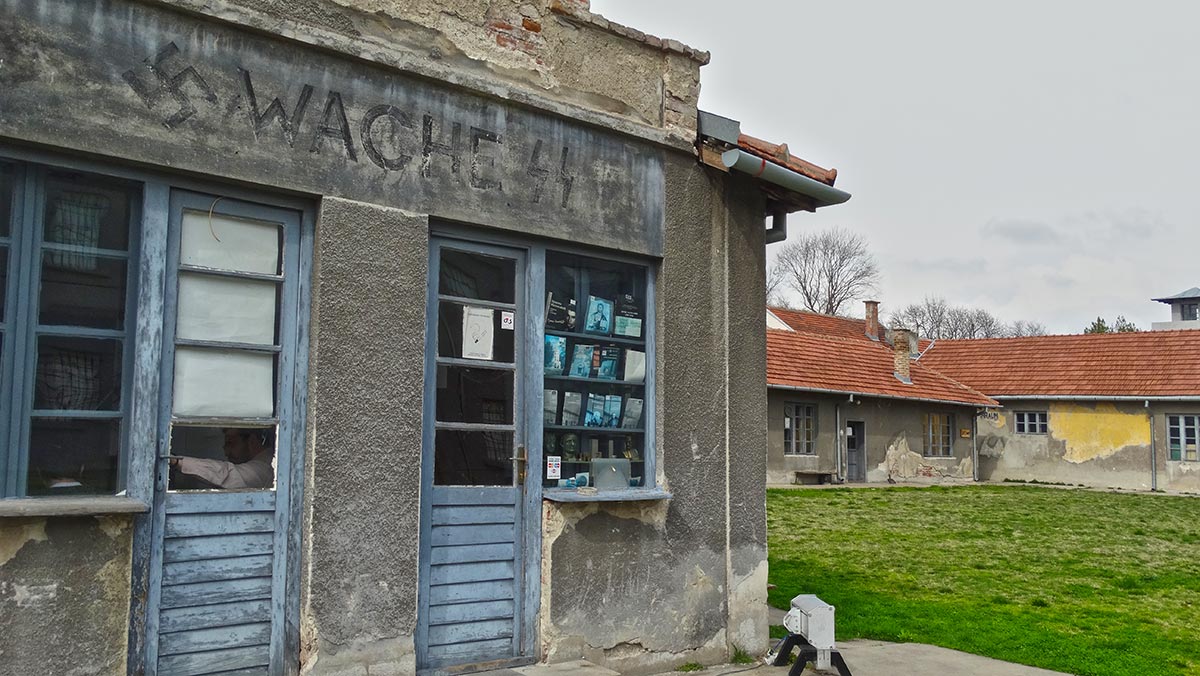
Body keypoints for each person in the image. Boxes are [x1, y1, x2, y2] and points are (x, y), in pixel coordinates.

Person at [170, 428, 275, 489]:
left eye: (231, 443)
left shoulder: (266, 467)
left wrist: (177, 462)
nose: (226, 452)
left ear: (252, 441)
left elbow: (226, 474)